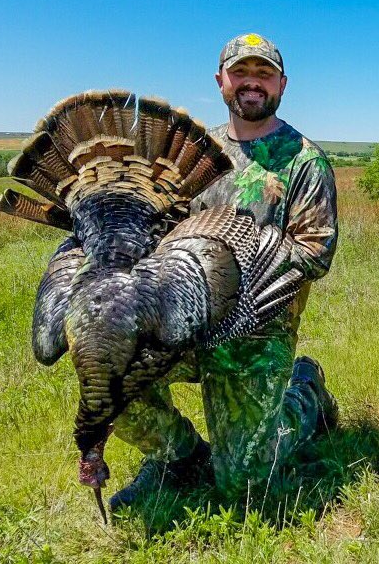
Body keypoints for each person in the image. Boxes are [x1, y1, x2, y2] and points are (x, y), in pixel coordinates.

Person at [109, 33, 339, 508]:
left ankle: (306, 395)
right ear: (220, 81)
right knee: (107, 379)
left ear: (282, 84)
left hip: (257, 335)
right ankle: (180, 459)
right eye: (241, 73)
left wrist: (233, 266)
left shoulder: (304, 160)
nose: (251, 83)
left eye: (263, 74)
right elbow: (162, 228)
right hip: (183, 324)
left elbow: (315, 253)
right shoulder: (195, 152)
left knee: (244, 489)